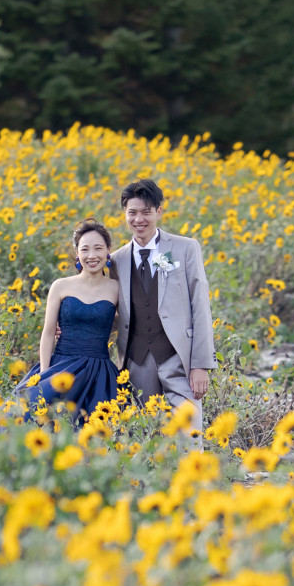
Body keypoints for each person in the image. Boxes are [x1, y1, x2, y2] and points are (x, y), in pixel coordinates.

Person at [112, 177, 215, 427]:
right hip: (136, 362)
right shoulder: (116, 260)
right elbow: (116, 312)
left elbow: (200, 306)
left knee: (189, 437)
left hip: (178, 358)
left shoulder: (186, 248)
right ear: (124, 214)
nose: (139, 220)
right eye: (132, 213)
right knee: (147, 437)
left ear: (159, 211)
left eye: (146, 212)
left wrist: (201, 365)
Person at [19, 218, 118, 419]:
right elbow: (47, 333)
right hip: (61, 366)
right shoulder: (60, 286)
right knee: (35, 418)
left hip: (99, 372)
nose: (92, 256)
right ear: (77, 253)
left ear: (108, 249)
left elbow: (123, 325)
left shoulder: (117, 288)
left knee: (99, 428)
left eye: (98, 248)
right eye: (85, 249)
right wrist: (44, 374)